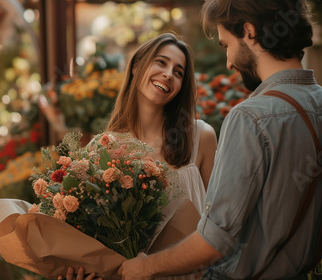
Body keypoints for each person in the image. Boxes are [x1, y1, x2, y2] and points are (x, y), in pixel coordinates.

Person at [118, 0, 322, 279]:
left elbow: (214, 243)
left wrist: (146, 266)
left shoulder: (251, 118)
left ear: (249, 31)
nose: (229, 61)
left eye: (226, 45)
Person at [62, 33, 217, 280]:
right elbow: (91, 240)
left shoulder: (201, 137)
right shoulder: (100, 150)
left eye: (178, 72)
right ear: (136, 66)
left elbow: (221, 224)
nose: (168, 74)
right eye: (161, 62)